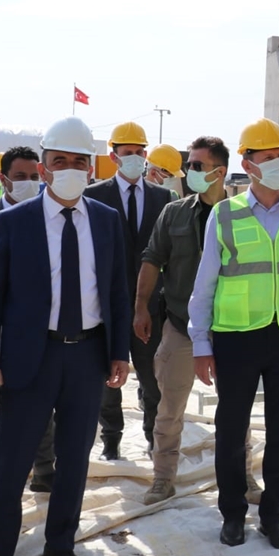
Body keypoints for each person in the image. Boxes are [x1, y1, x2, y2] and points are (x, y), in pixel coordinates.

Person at [0, 116, 131, 556]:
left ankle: (60, 547)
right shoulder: (13, 222)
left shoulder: (105, 220)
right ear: (43, 169)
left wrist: (119, 352)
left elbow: (116, 291)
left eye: (79, 162)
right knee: (13, 461)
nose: (70, 169)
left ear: (92, 168)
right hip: (30, 357)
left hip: (87, 357)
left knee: (74, 460)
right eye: (59, 161)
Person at [189, 118, 279, 549]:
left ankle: (274, 516)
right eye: (269, 157)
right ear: (248, 164)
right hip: (236, 337)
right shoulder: (225, 214)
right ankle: (233, 514)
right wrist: (201, 343)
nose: (278, 164)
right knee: (231, 429)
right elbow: (205, 285)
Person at [135, 136, 261, 505]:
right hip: (181, 325)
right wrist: (140, 306)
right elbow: (152, 258)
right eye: (188, 164)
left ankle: (243, 477)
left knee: (236, 410)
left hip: (232, 329)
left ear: (219, 172)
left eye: (196, 166)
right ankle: (163, 478)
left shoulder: (243, 215)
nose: (188, 171)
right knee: (169, 409)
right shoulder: (174, 213)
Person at [0, 146, 54, 510]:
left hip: (38, 329)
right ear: (2, 179)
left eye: (34, 177)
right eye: (20, 177)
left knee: (43, 400)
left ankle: (45, 470)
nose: (29, 183)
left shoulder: (50, 217)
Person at [83, 122, 172, 460]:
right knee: (109, 378)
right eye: (128, 152)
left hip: (150, 307)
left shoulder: (163, 198)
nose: (135, 157)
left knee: (152, 379)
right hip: (106, 306)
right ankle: (111, 440)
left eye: (139, 151)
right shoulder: (93, 196)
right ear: (114, 156)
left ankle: (152, 438)